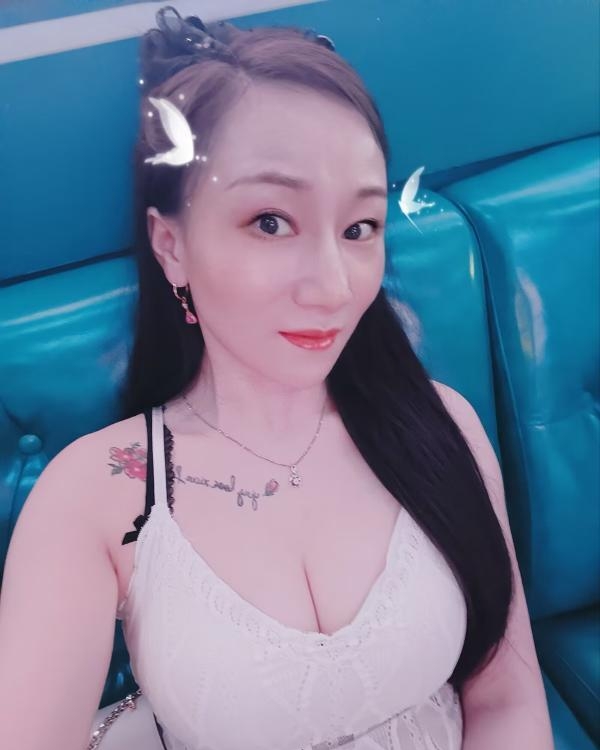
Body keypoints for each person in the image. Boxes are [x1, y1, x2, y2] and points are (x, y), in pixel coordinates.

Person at [0, 6, 554, 750]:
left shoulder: (440, 426)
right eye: (270, 221)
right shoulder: (97, 494)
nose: (332, 287)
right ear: (171, 245)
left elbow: (507, 701)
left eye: (359, 228)